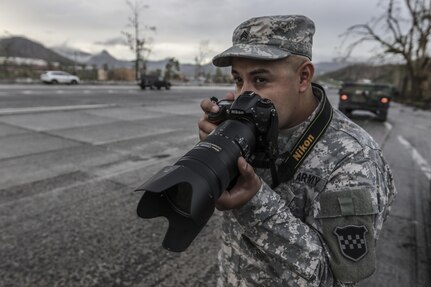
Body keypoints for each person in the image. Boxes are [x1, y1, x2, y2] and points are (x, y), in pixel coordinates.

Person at [198, 15, 396, 286]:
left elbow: (335, 277)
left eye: (260, 80)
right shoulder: (249, 128)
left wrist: (254, 203)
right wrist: (218, 150)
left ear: (303, 76)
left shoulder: (353, 157)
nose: (245, 95)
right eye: (238, 80)